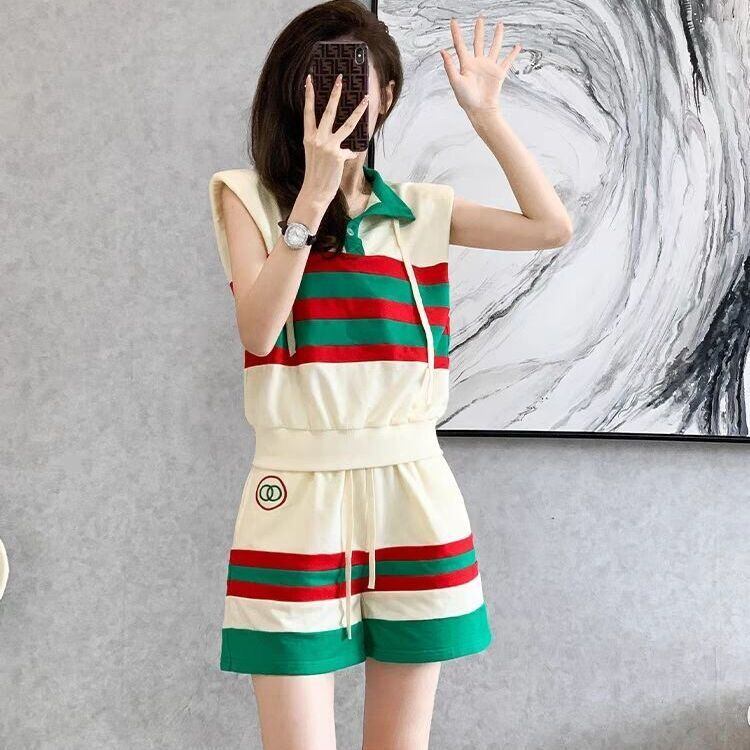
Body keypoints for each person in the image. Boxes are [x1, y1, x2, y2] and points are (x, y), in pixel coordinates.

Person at [208, 2, 572, 748]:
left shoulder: (422, 213)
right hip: (296, 490)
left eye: (354, 83)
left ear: (388, 96)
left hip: (412, 488)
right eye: (316, 81)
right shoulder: (247, 198)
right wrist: (313, 196)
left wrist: (486, 116)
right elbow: (259, 330)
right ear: (288, 93)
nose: (335, 100)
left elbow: (550, 227)